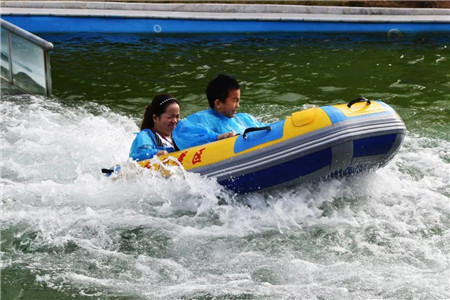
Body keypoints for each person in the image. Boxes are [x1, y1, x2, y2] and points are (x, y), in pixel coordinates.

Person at [173, 74, 265, 149]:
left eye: (238, 101)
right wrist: (216, 138)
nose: (238, 105)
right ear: (218, 103)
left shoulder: (243, 118)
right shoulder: (204, 118)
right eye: (234, 101)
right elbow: (181, 131)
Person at [129, 94, 181, 161]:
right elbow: (139, 154)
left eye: (177, 116)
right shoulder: (145, 136)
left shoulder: (179, 137)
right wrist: (154, 154)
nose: (174, 120)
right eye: (170, 117)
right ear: (155, 118)